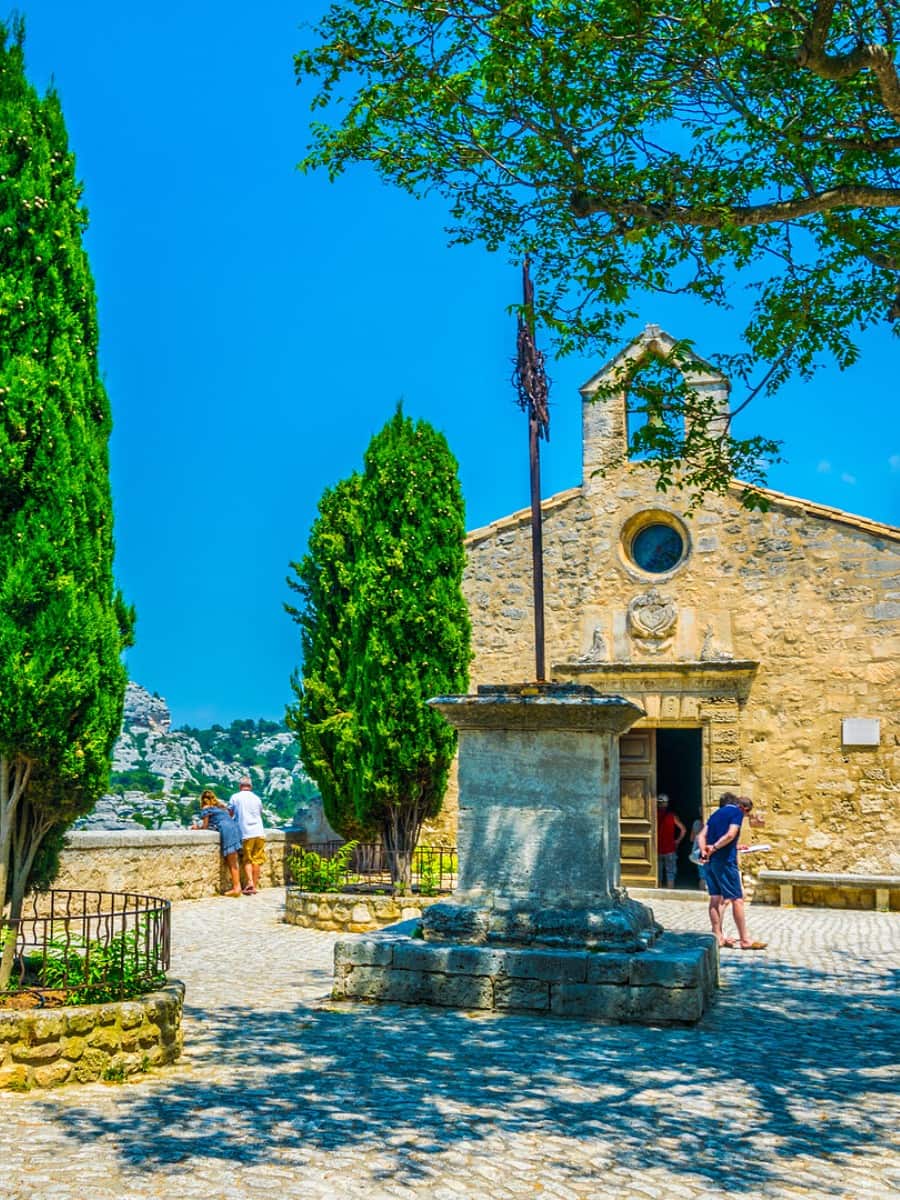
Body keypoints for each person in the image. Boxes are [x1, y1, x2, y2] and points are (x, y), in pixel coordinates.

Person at [698, 793, 767, 950]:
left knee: (716, 898)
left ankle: (718, 937)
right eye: (746, 813)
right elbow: (731, 834)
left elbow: (701, 836)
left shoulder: (715, 814)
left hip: (709, 862)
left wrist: (705, 851)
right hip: (725, 862)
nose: (745, 816)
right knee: (737, 899)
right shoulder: (736, 812)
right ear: (742, 807)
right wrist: (715, 848)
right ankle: (745, 940)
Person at [198, 789, 243, 896]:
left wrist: (196, 828)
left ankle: (237, 888)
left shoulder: (206, 808)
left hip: (227, 830)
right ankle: (238, 886)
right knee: (235, 859)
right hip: (235, 828)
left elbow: (204, 826)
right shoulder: (220, 807)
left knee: (232, 860)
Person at [229, 775, 266, 895]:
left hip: (246, 832)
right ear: (250, 786)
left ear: (240, 786)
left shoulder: (235, 797)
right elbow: (260, 813)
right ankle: (254, 886)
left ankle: (250, 882)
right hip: (260, 832)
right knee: (257, 860)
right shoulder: (257, 798)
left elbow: (230, 813)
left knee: (247, 859)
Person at [656, 793, 686, 889]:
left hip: (656, 848)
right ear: (667, 803)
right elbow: (683, 830)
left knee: (658, 873)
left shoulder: (651, 815)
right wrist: (677, 841)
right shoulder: (672, 816)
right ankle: (670, 890)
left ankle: (658, 891)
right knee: (670, 872)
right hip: (670, 848)